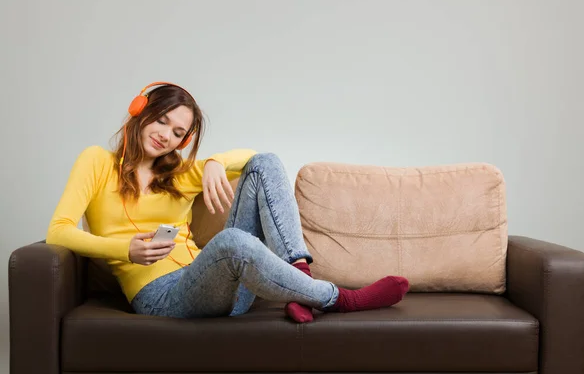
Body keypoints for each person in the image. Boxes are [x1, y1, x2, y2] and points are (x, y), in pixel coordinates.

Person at [46, 81, 409, 322]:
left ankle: (300, 279)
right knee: (234, 242)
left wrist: (215, 162)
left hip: (219, 285)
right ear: (140, 110)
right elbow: (58, 233)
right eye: (161, 121)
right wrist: (124, 249)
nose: (165, 136)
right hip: (161, 296)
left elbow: (254, 157)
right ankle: (340, 299)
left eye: (177, 133)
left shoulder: (178, 174)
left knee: (264, 162)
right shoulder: (96, 161)